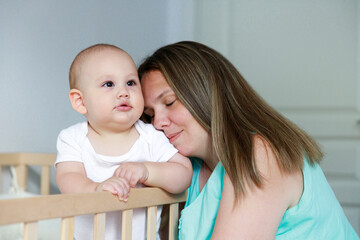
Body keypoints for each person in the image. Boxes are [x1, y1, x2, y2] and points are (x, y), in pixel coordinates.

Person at [138, 41, 359, 240]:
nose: (157, 123)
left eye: (169, 102)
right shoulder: (188, 171)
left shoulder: (261, 154)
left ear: (207, 93)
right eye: (149, 114)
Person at [55, 43, 192, 240]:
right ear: (80, 101)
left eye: (130, 82)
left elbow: (183, 174)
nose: (123, 92)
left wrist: (146, 170)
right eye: (109, 84)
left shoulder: (151, 136)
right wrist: (95, 189)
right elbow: (68, 177)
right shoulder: (72, 138)